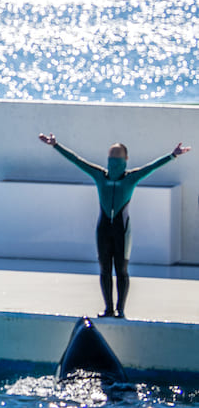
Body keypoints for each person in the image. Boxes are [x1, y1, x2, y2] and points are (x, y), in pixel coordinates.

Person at [39, 133, 189, 318]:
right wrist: (56, 145)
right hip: (103, 229)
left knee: (121, 270)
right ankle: (108, 308)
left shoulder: (130, 178)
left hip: (122, 230)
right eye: (111, 157)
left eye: (118, 157)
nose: (114, 161)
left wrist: (172, 155)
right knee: (104, 269)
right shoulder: (99, 175)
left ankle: (120, 309)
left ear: (126, 159)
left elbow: (151, 167)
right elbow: (77, 160)